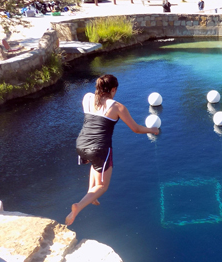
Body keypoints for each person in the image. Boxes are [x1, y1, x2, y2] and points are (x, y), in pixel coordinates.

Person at [66, 74, 160, 226]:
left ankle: (92, 195)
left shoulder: (87, 97)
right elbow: (136, 128)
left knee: (94, 164)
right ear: (114, 89)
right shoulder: (117, 107)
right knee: (103, 186)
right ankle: (78, 206)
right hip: (100, 148)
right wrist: (152, 130)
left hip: (82, 144)